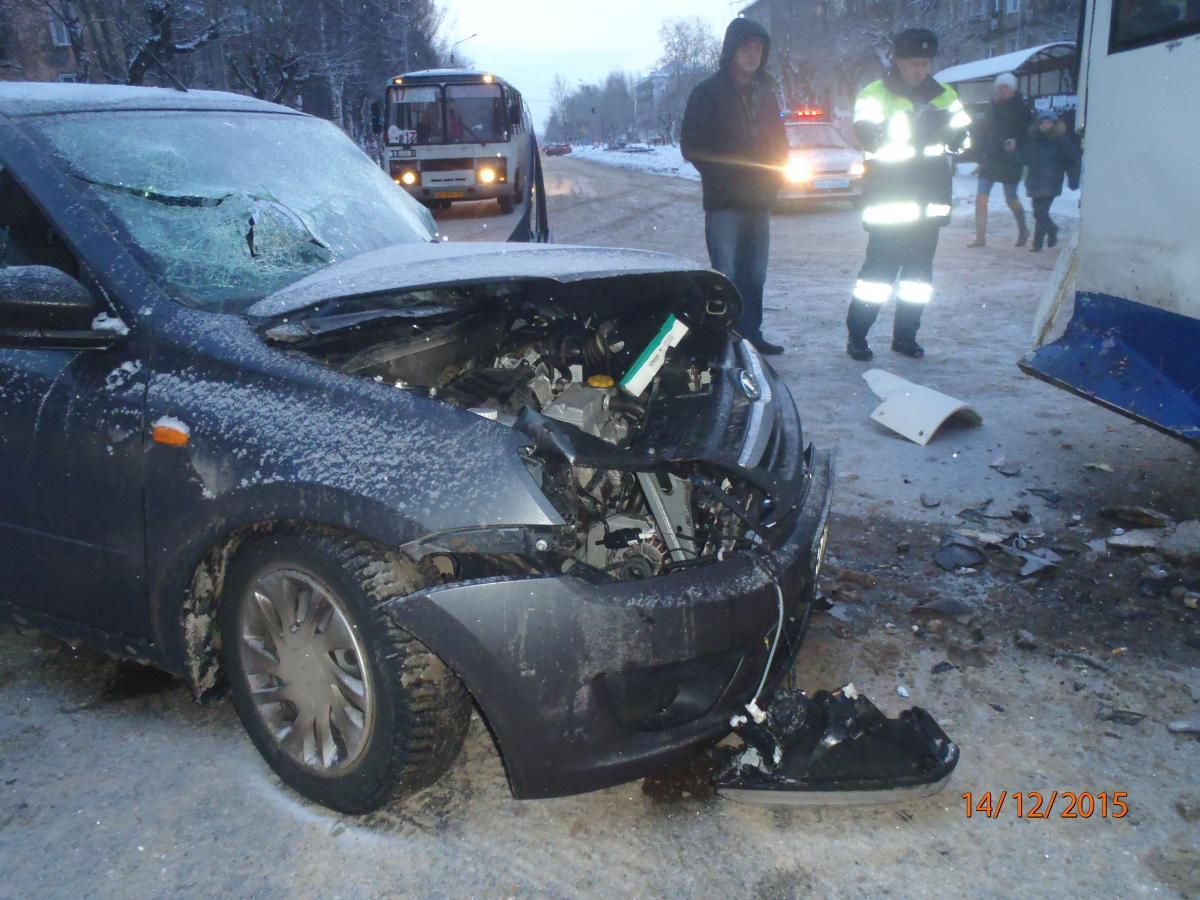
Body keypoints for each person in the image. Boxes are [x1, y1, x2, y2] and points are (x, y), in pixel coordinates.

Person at [844, 28, 970, 360]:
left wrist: (958, 138)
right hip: (890, 199)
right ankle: (857, 334)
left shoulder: (944, 95)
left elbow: (966, 140)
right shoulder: (875, 93)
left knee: (918, 278)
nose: (920, 69)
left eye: (925, 63)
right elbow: (866, 136)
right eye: (914, 63)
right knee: (878, 274)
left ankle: (906, 336)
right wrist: (910, 129)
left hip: (928, 201)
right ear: (898, 61)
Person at [681, 17, 789, 355]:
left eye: (758, 48)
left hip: (759, 200)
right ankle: (722, 339)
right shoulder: (707, 92)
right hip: (724, 201)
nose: (753, 54)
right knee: (725, 274)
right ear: (732, 50)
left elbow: (779, 143)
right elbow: (692, 145)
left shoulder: (767, 94)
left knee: (755, 274)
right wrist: (724, 175)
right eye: (747, 47)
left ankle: (750, 336)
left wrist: (775, 177)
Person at [968, 72, 1032, 248]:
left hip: (1011, 159)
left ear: (1013, 89)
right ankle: (980, 237)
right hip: (990, 157)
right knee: (981, 198)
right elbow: (981, 132)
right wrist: (979, 154)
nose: (1003, 90)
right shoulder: (991, 107)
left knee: (1011, 198)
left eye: (1006, 87)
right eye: (1000, 87)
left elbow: (1029, 134)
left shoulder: (1022, 108)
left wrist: (1017, 146)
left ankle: (1023, 228)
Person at [1022, 110, 1081, 251]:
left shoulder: (1061, 141)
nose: (1047, 125)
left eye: (1049, 122)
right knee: (1037, 213)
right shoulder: (1033, 138)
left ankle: (1037, 244)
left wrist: (1073, 179)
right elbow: (1026, 157)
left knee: (1041, 212)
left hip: (1051, 180)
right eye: (1044, 122)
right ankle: (1052, 230)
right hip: (1035, 180)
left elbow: (1071, 161)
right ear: (1039, 123)